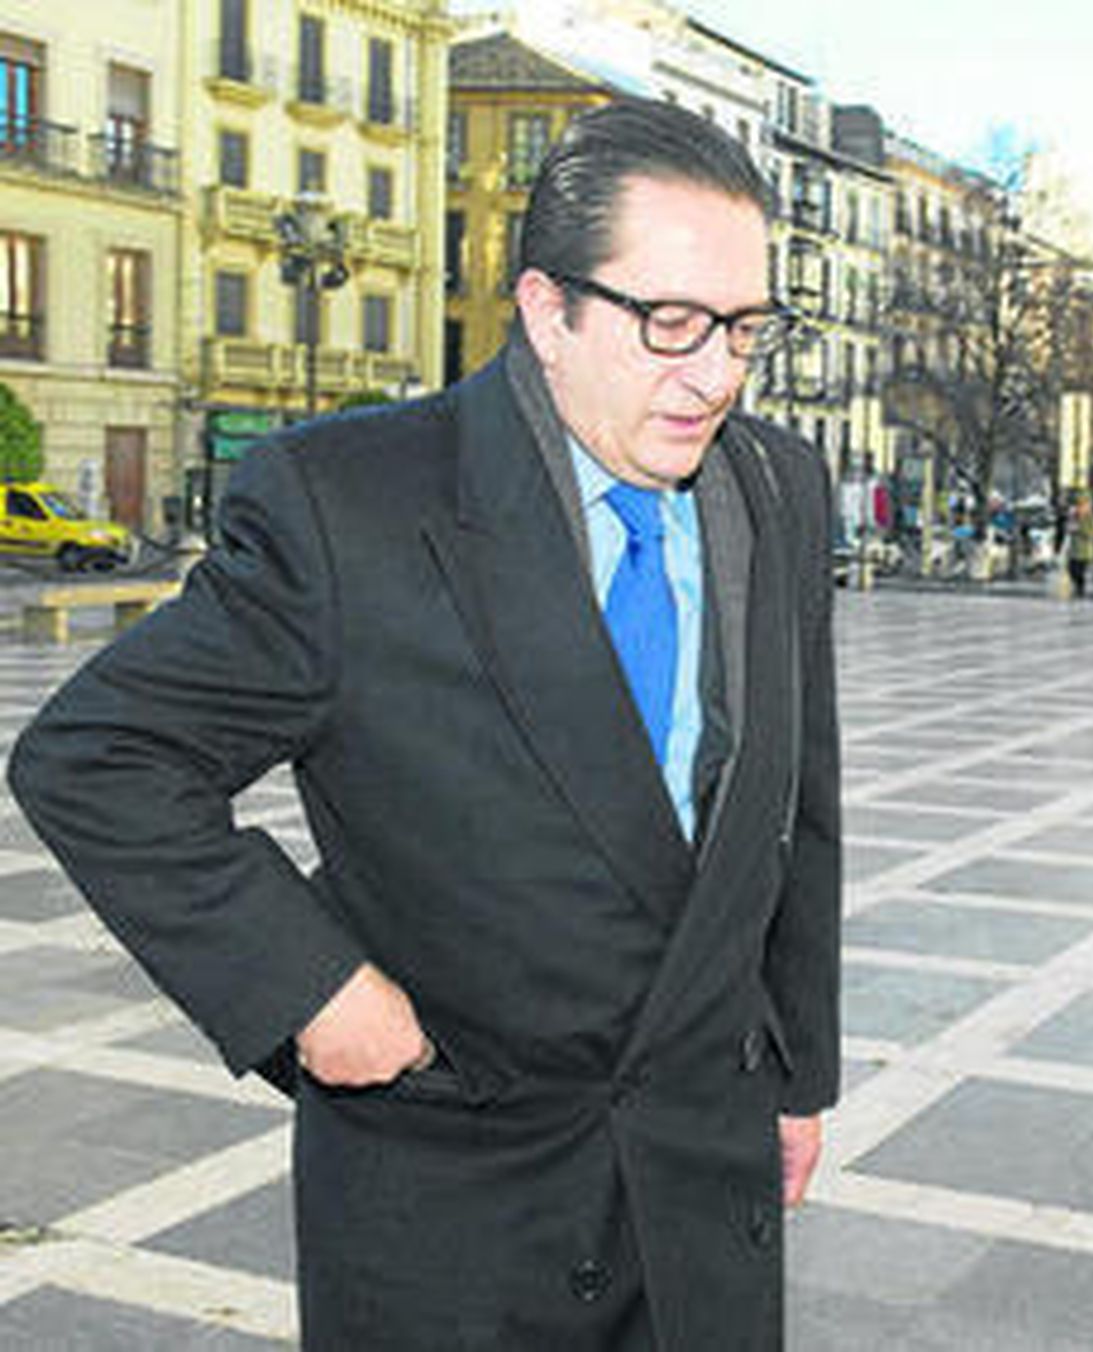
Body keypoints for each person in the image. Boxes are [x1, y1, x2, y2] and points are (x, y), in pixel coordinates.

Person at [8, 99, 842, 1352]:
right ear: (547, 309)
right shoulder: (350, 502)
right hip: (462, 1193)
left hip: (705, 1168)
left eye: (742, 328)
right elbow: (98, 754)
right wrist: (310, 985)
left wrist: (798, 1071)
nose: (714, 371)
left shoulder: (777, 484)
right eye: (669, 321)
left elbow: (798, 805)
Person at [1066, 495, 1093, 597]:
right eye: (1078, 505)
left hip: (1084, 551)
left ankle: (1080, 589)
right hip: (1074, 550)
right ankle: (1078, 587)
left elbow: (1092, 532)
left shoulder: (1089, 518)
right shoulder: (1074, 517)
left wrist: (1079, 530)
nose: (1079, 508)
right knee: (1071, 569)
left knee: (1079, 571)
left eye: (1082, 505)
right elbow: (1068, 528)